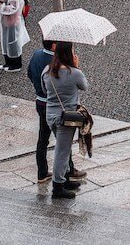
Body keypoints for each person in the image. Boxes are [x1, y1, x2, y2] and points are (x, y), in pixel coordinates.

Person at [28, 40, 86, 185]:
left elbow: (31, 74)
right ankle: (63, 179)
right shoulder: (71, 72)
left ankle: (42, 172)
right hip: (63, 112)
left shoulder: (40, 59)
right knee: (63, 147)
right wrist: (76, 66)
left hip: (43, 104)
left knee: (43, 140)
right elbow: (84, 86)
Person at [42, 41, 87, 199]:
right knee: (62, 151)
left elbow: (43, 88)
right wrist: (77, 67)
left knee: (63, 148)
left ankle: (66, 178)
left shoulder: (47, 70)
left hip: (50, 115)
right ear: (69, 54)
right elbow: (84, 86)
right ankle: (58, 186)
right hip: (66, 118)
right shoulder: (74, 73)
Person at [0, 0, 29, 72]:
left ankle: (16, 64)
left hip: (13, 20)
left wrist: (2, 6)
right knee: (5, 41)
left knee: (13, 41)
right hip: (5, 20)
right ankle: (8, 61)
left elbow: (14, 7)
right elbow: (1, 0)